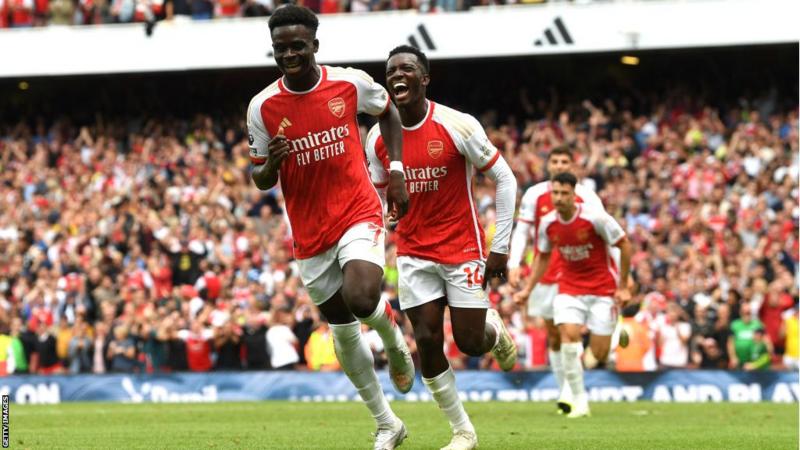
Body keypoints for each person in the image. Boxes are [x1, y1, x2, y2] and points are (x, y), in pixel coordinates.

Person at [246, 6, 413, 449]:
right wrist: (272, 164)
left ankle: (393, 339)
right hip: (309, 232)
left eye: (298, 46)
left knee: (361, 297)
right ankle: (387, 423)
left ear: (315, 45)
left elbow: (388, 111)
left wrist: (396, 168)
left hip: (357, 210)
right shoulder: (262, 107)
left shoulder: (348, 84)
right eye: (281, 48)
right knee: (341, 328)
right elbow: (259, 176)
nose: (289, 54)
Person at [364, 45, 518, 450]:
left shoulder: (457, 124)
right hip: (413, 253)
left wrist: (500, 246)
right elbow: (380, 194)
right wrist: (386, 219)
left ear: (424, 78)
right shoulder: (377, 138)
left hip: (462, 249)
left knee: (469, 342)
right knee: (428, 341)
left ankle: (493, 331)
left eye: (407, 69)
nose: (397, 75)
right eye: (391, 70)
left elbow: (505, 179)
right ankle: (463, 431)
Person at [513, 172, 632, 418]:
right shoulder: (547, 223)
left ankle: (613, 333)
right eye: (555, 193)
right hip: (569, 287)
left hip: (602, 289)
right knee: (568, 337)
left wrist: (623, 286)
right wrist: (527, 289)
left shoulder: (595, 217)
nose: (559, 198)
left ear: (574, 194)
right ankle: (579, 401)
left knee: (599, 354)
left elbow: (624, 244)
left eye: (564, 193)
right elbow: (543, 257)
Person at [507, 146, 604, 413]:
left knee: (567, 330)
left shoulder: (587, 196)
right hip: (545, 272)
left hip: (577, 271)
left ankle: (574, 392)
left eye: (564, 161)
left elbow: (603, 231)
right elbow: (523, 231)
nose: (559, 165)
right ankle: (565, 390)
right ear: (548, 165)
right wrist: (514, 263)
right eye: (555, 161)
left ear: (572, 166)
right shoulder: (534, 194)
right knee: (553, 333)